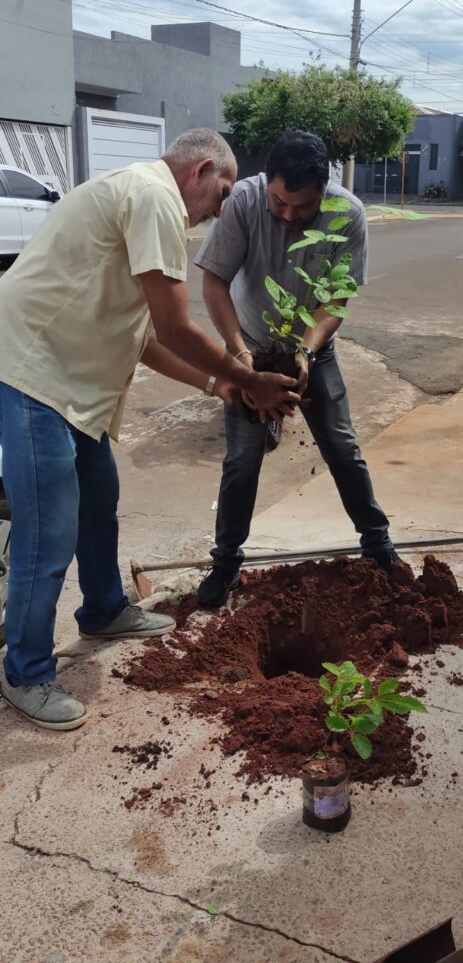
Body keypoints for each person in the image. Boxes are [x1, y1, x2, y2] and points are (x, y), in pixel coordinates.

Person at [0, 128, 298, 731]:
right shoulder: (154, 196)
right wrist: (249, 377)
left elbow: (143, 337)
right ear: (203, 170)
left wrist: (221, 386)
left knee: (99, 499)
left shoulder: (138, 199)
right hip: (33, 368)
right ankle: (25, 669)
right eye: (221, 195)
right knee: (49, 529)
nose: (217, 212)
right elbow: (175, 326)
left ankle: (105, 608)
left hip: (72, 379)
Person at [195, 129, 400, 608]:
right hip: (249, 348)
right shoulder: (243, 202)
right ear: (267, 182)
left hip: (312, 349)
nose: (287, 214)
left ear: (323, 190)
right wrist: (241, 360)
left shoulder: (347, 215)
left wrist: (306, 351)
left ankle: (376, 541)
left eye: (301, 207)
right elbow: (214, 285)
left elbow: (336, 297)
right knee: (242, 460)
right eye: (279, 202)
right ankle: (225, 561)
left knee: (343, 447)